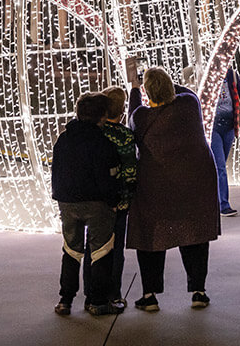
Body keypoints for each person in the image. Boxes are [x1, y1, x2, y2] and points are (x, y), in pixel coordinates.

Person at [126, 67, 220, 311]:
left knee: (151, 237)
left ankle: (150, 295)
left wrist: (135, 88)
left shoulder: (142, 117)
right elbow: (184, 91)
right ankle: (199, 291)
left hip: (156, 188)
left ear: (148, 92)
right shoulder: (189, 105)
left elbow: (132, 117)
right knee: (194, 234)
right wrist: (162, 83)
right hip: (193, 186)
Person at [51, 92, 122, 317]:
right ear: (102, 116)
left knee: (71, 250)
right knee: (101, 252)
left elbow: (56, 171)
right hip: (96, 203)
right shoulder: (102, 143)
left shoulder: (64, 139)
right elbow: (108, 177)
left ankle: (65, 300)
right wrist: (113, 202)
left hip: (68, 202)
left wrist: (60, 196)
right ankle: (97, 302)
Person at [82, 85, 138, 312]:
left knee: (92, 248)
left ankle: (90, 294)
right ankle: (113, 293)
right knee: (115, 250)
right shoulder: (125, 135)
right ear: (122, 110)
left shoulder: (95, 133)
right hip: (118, 202)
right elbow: (130, 172)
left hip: (94, 200)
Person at [208, 67, 240, 217]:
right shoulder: (204, 74)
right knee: (219, 165)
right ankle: (223, 205)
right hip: (212, 127)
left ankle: (214, 199)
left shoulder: (231, 74)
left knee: (219, 165)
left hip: (229, 126)